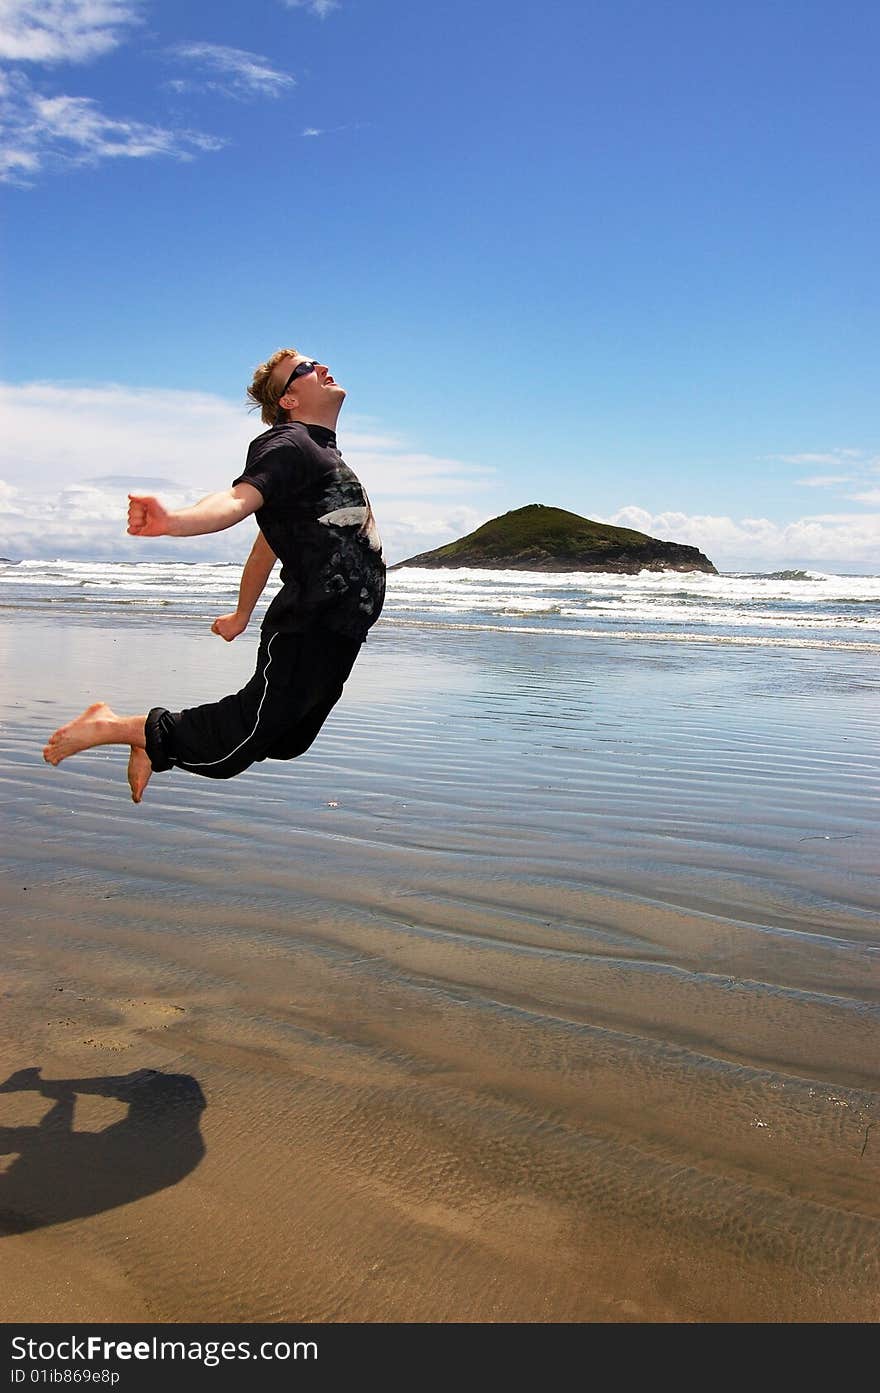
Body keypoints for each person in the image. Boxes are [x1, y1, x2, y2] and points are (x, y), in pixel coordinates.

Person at [42, 349, 385, 803]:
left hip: (340, 631)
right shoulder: (289, 444)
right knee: (231, 748)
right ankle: (117, 726)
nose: (321, 368)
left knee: (287, 740)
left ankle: (150, 742)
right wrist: (175, 522)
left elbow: (269, 542)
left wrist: (242, 612)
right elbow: (237, 500)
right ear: (288, 400)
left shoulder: (322, 456)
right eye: (305, 369)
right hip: (309, 625)